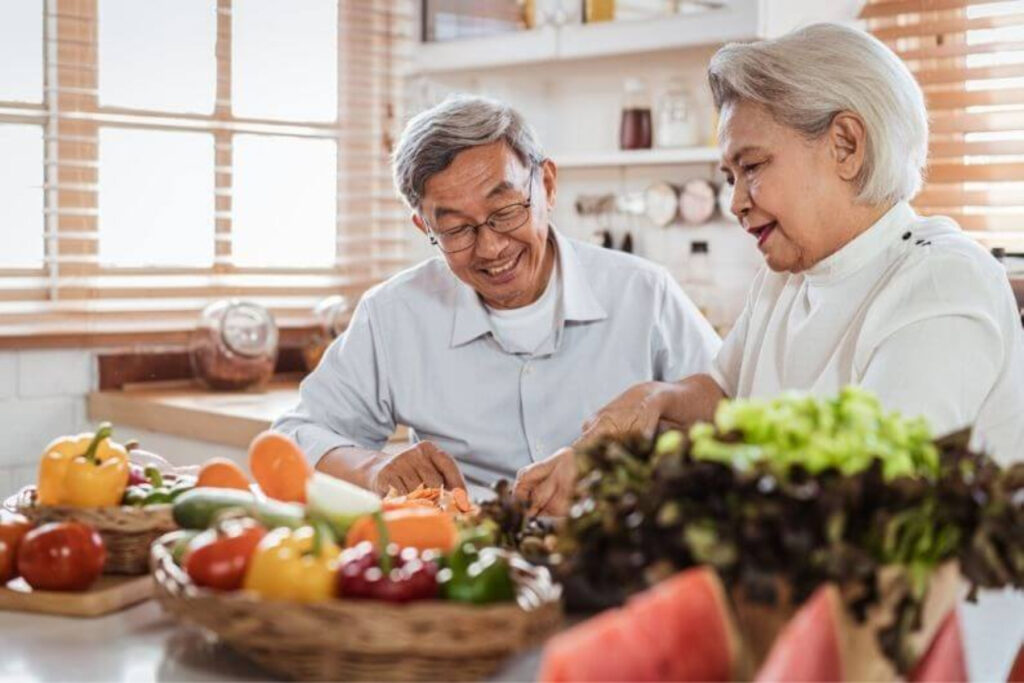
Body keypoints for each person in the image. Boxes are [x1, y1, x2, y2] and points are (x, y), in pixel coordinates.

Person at [524, 23, 1024, 512]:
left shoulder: (941, 280)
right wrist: (655, 398)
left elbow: (869, 496)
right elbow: (725, 397)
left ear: (846, 145)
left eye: (753, 167)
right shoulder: (787, 275)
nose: (735, 201)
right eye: (729, 176)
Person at [273, 95, 720, 497]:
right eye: (455, 229)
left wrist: (653, 407)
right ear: (424, 228)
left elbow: (733, 409)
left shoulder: (644, 292)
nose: (491, 248)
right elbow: (295, 434)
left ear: (545, 185)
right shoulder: (393, 314)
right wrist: (373, 468)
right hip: (467, 567)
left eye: (505, 211)